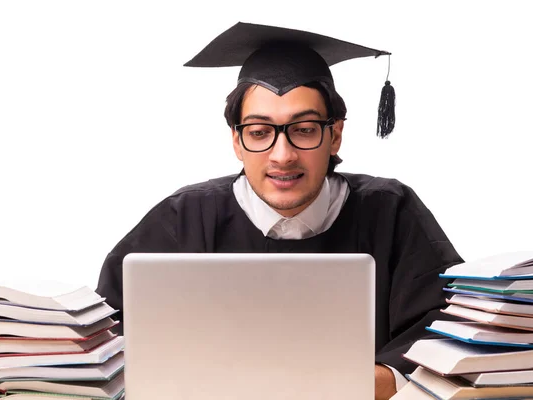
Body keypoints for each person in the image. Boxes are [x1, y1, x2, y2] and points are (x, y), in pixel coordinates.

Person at [96, 22, 463, 399]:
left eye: (303, 129)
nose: (282, 155)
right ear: (237, 141)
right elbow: (107, 336)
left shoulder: (392, 212)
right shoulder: (183, 219)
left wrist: (368, 383)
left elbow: (450, 327)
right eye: (259, 132)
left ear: (334, 135)